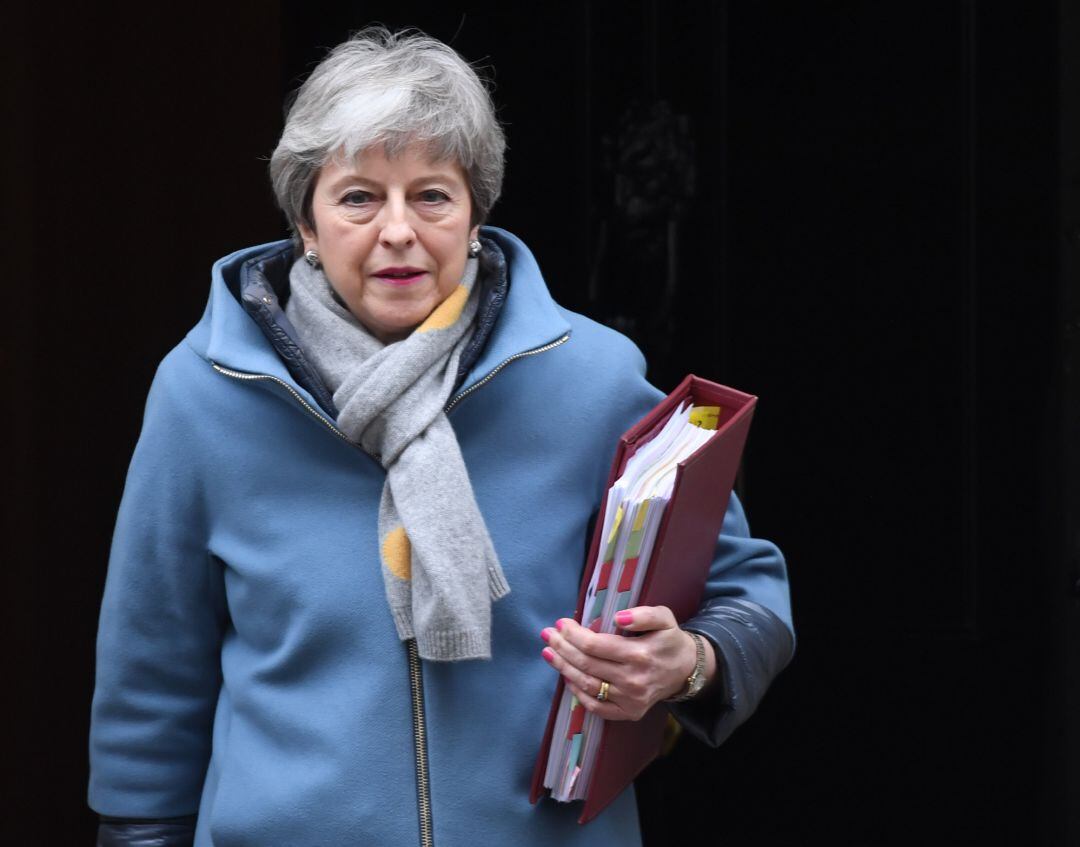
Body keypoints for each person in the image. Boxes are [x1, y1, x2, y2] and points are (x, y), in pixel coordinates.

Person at [88, 26, 794, 847]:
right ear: (304, 223)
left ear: (474, 213)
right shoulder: (206, 393)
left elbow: (749, 593)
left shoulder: (591, 378)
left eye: (432, 194)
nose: (398, 230)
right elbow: (153, 677)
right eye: (358, 196)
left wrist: (690, 663)